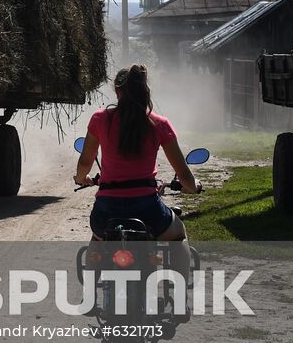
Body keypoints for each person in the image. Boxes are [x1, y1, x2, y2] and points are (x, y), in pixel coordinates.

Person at [74, 64, 199, 240]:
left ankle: (94, 266)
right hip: (147, 209)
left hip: (106, 210)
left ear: (117, 92)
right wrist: (193, 187)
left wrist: (81, 179)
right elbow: (184, 174)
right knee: (178, 233)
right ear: (144, 90)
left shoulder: (99, 119)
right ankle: (181, 269)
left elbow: (85, 162)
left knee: (98, 240)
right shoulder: (160, 124)